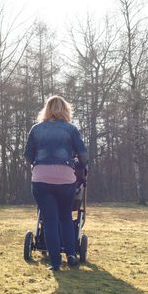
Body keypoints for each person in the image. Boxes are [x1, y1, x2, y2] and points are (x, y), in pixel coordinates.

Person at [24, 95, 88, 271]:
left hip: (41, 179)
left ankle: (55, 263)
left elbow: (28, 156)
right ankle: (71, 255)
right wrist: (77, 165)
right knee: (65, 218)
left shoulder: (36, 129)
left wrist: (40, 163)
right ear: (66, 110)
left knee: (50, 221)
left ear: (47, 110)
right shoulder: (71, 129)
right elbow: (84, 156)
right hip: (65, 179)